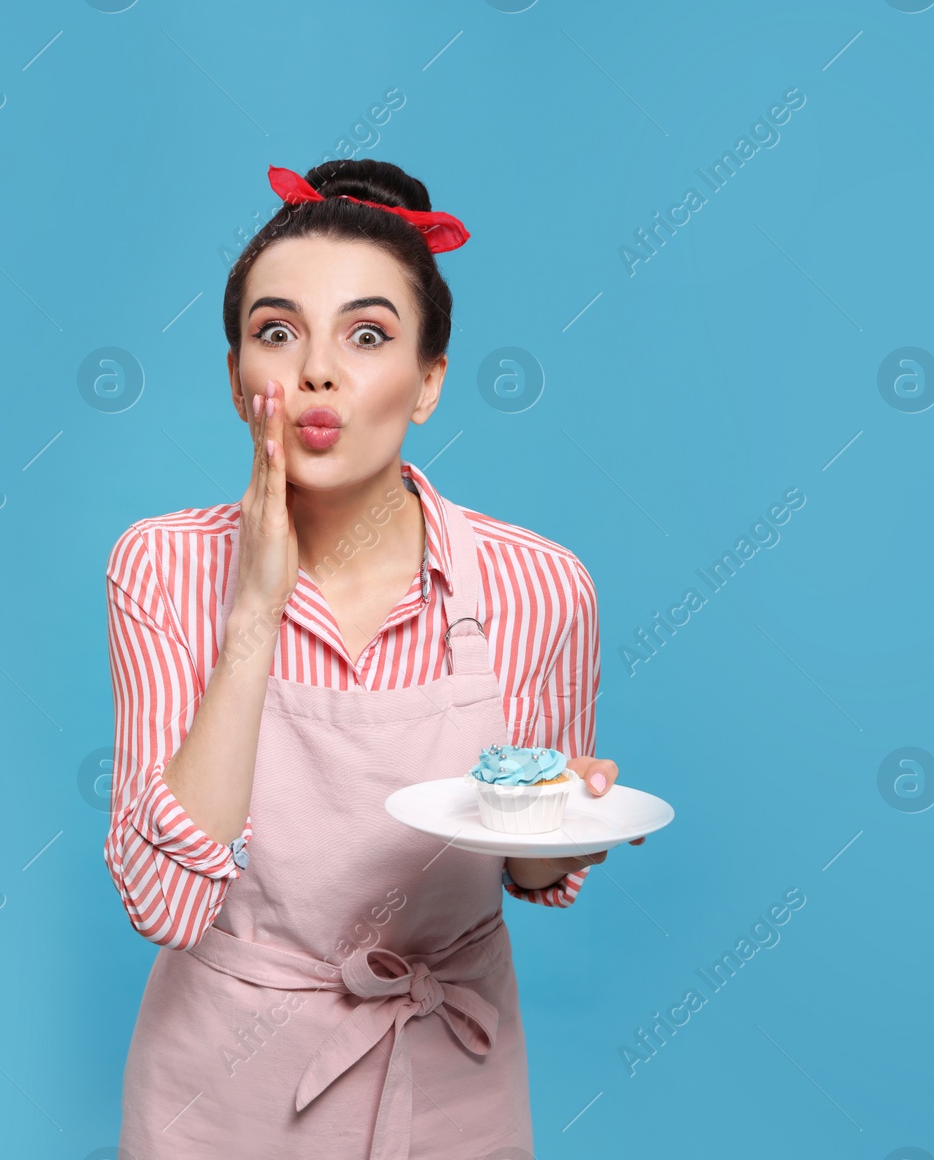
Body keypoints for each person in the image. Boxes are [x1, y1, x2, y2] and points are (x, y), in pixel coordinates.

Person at [103, 159, 642, 1158]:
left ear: (429, 380)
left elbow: (533, 873)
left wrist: (566, 816)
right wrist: (254, 610)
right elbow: (163, 900)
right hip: (218, 1091)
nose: (315, 371)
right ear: (235, 378)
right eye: (276, 332)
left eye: (367, 335)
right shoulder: (163, 567)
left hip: (445, 1075)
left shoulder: (541, 587)